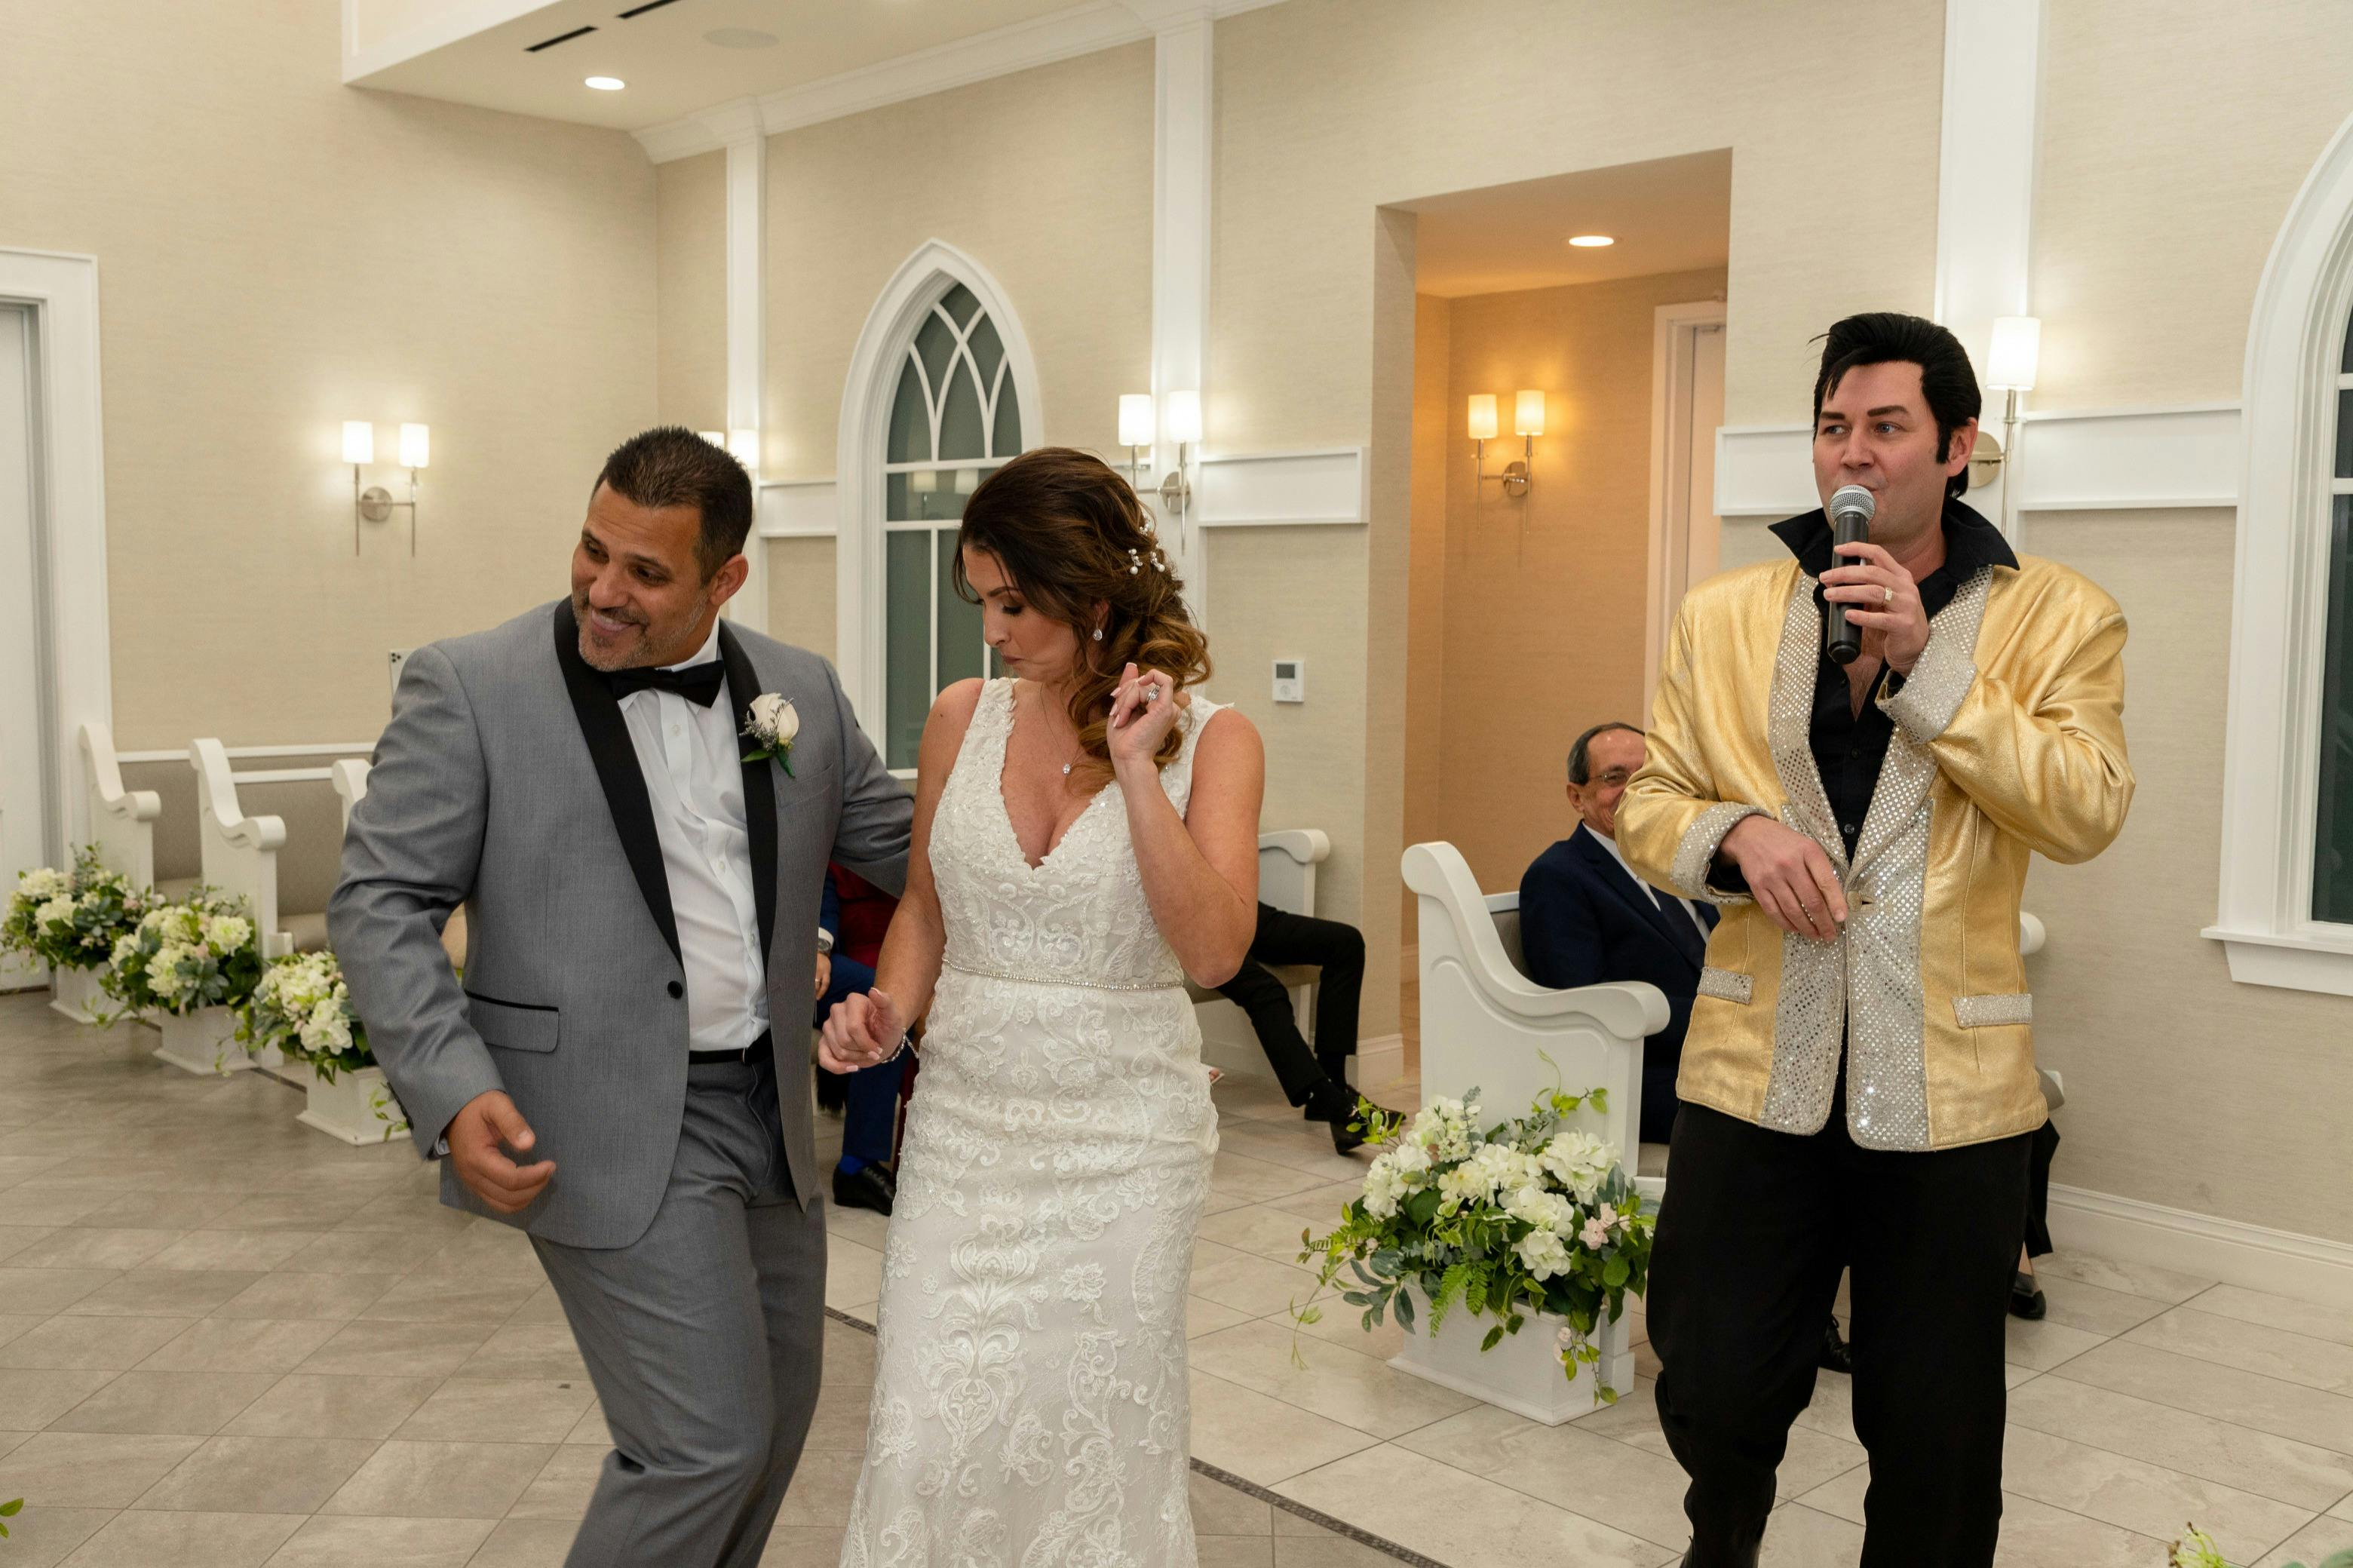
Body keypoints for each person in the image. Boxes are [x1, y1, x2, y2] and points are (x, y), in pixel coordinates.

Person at [331, 427, 913, 1568]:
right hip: (601, 1115)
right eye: (593, 550)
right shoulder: (471, 683)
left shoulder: (799, 690)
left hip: (775, 1116)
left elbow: (914, 850)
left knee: (773, 1432)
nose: (603, 589)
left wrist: (1082, 763)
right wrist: (452, 1088)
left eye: (646, 572)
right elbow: (378, 900)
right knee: (702, 1443)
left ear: (725, 578)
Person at [1616, 312, 2133, 1568]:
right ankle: (1723, 1527)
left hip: (1948, 1093)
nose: (1853, 454)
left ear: (1959, 445)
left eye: (1886, 427)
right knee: (1715, 1376)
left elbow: (2087, 805)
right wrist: (1736, 833)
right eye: (1832, 426)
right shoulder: (1727, 611)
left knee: (1936, 1427)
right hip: (1754, 1069)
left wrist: (1925, 662)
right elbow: (1647, 797)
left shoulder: (2061, 615)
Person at [820, 446, 1263, 1566]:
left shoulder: (1218, 741)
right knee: (928, 1428)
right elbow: (925, 900)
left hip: (1126, 1142)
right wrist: (885, 1013)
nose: (992, 629)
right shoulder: (959, 716)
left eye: (1014, 603)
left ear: (1093, 596)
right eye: (981, 600)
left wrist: (1140, 768)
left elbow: (1214, 949)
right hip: (967, 1129)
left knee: (1093, 1434)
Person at [1518, 721, 1716, 1146]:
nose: (1635, 790)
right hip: (1647, 1077)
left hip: (1723, 1056)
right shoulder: (1558, 877)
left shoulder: (1680, 862)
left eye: (1647, 777)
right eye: (1614, 778)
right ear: (1577, 797)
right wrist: (1721, 1021)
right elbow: (1588, 1006)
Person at [1216, 904, 1372, 1152]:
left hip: (1239, 908)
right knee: (1265, 991)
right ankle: (1326, 1097)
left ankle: (1335, 1082)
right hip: (1194, 924)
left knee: (1347, 943)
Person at [814, 866, 903, 1214]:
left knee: (882, 1007)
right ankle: (855, 1166)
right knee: (878, 1007)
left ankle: (857, 1165)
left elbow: (821, 885)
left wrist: (820, 947)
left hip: (815, 952)